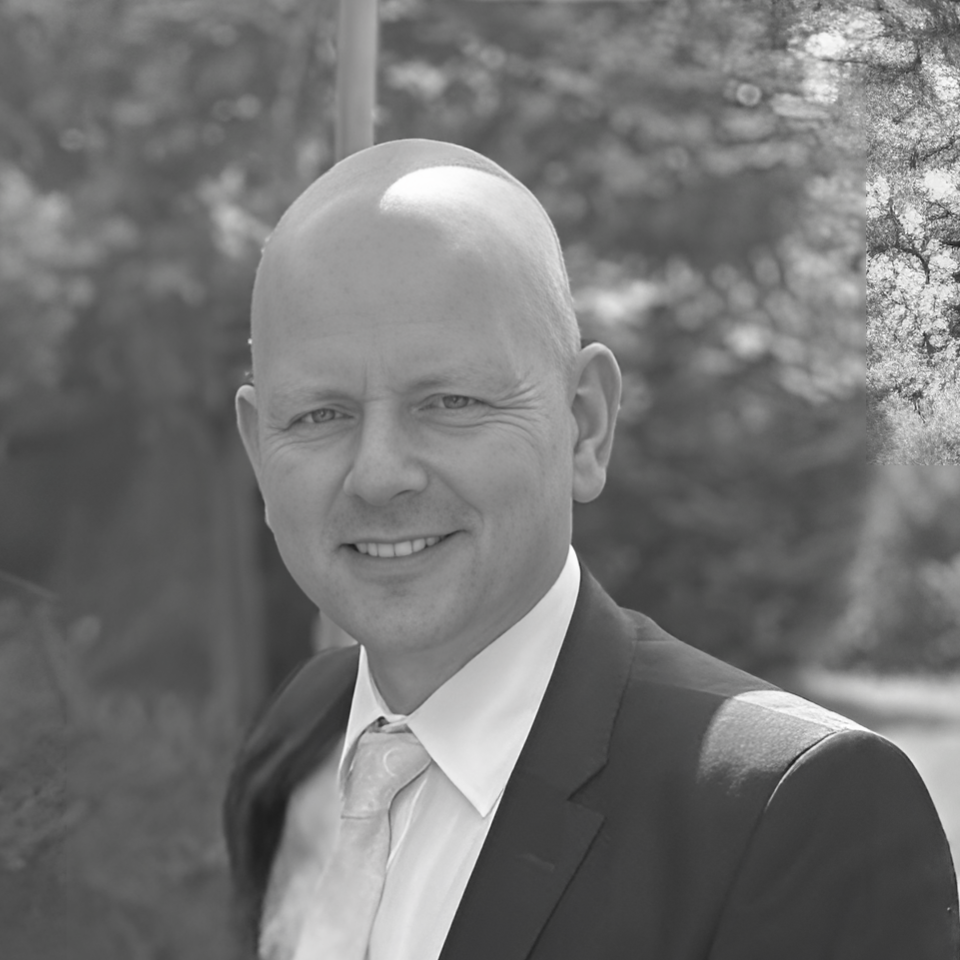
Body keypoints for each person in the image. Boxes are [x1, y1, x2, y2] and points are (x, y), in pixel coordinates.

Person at [224, 138, 958, 960]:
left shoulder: (794, 814)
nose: (379, 474)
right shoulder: (300, 738)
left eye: (450, 400)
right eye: (321, 415)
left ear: (585, 423)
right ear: (260, 450)